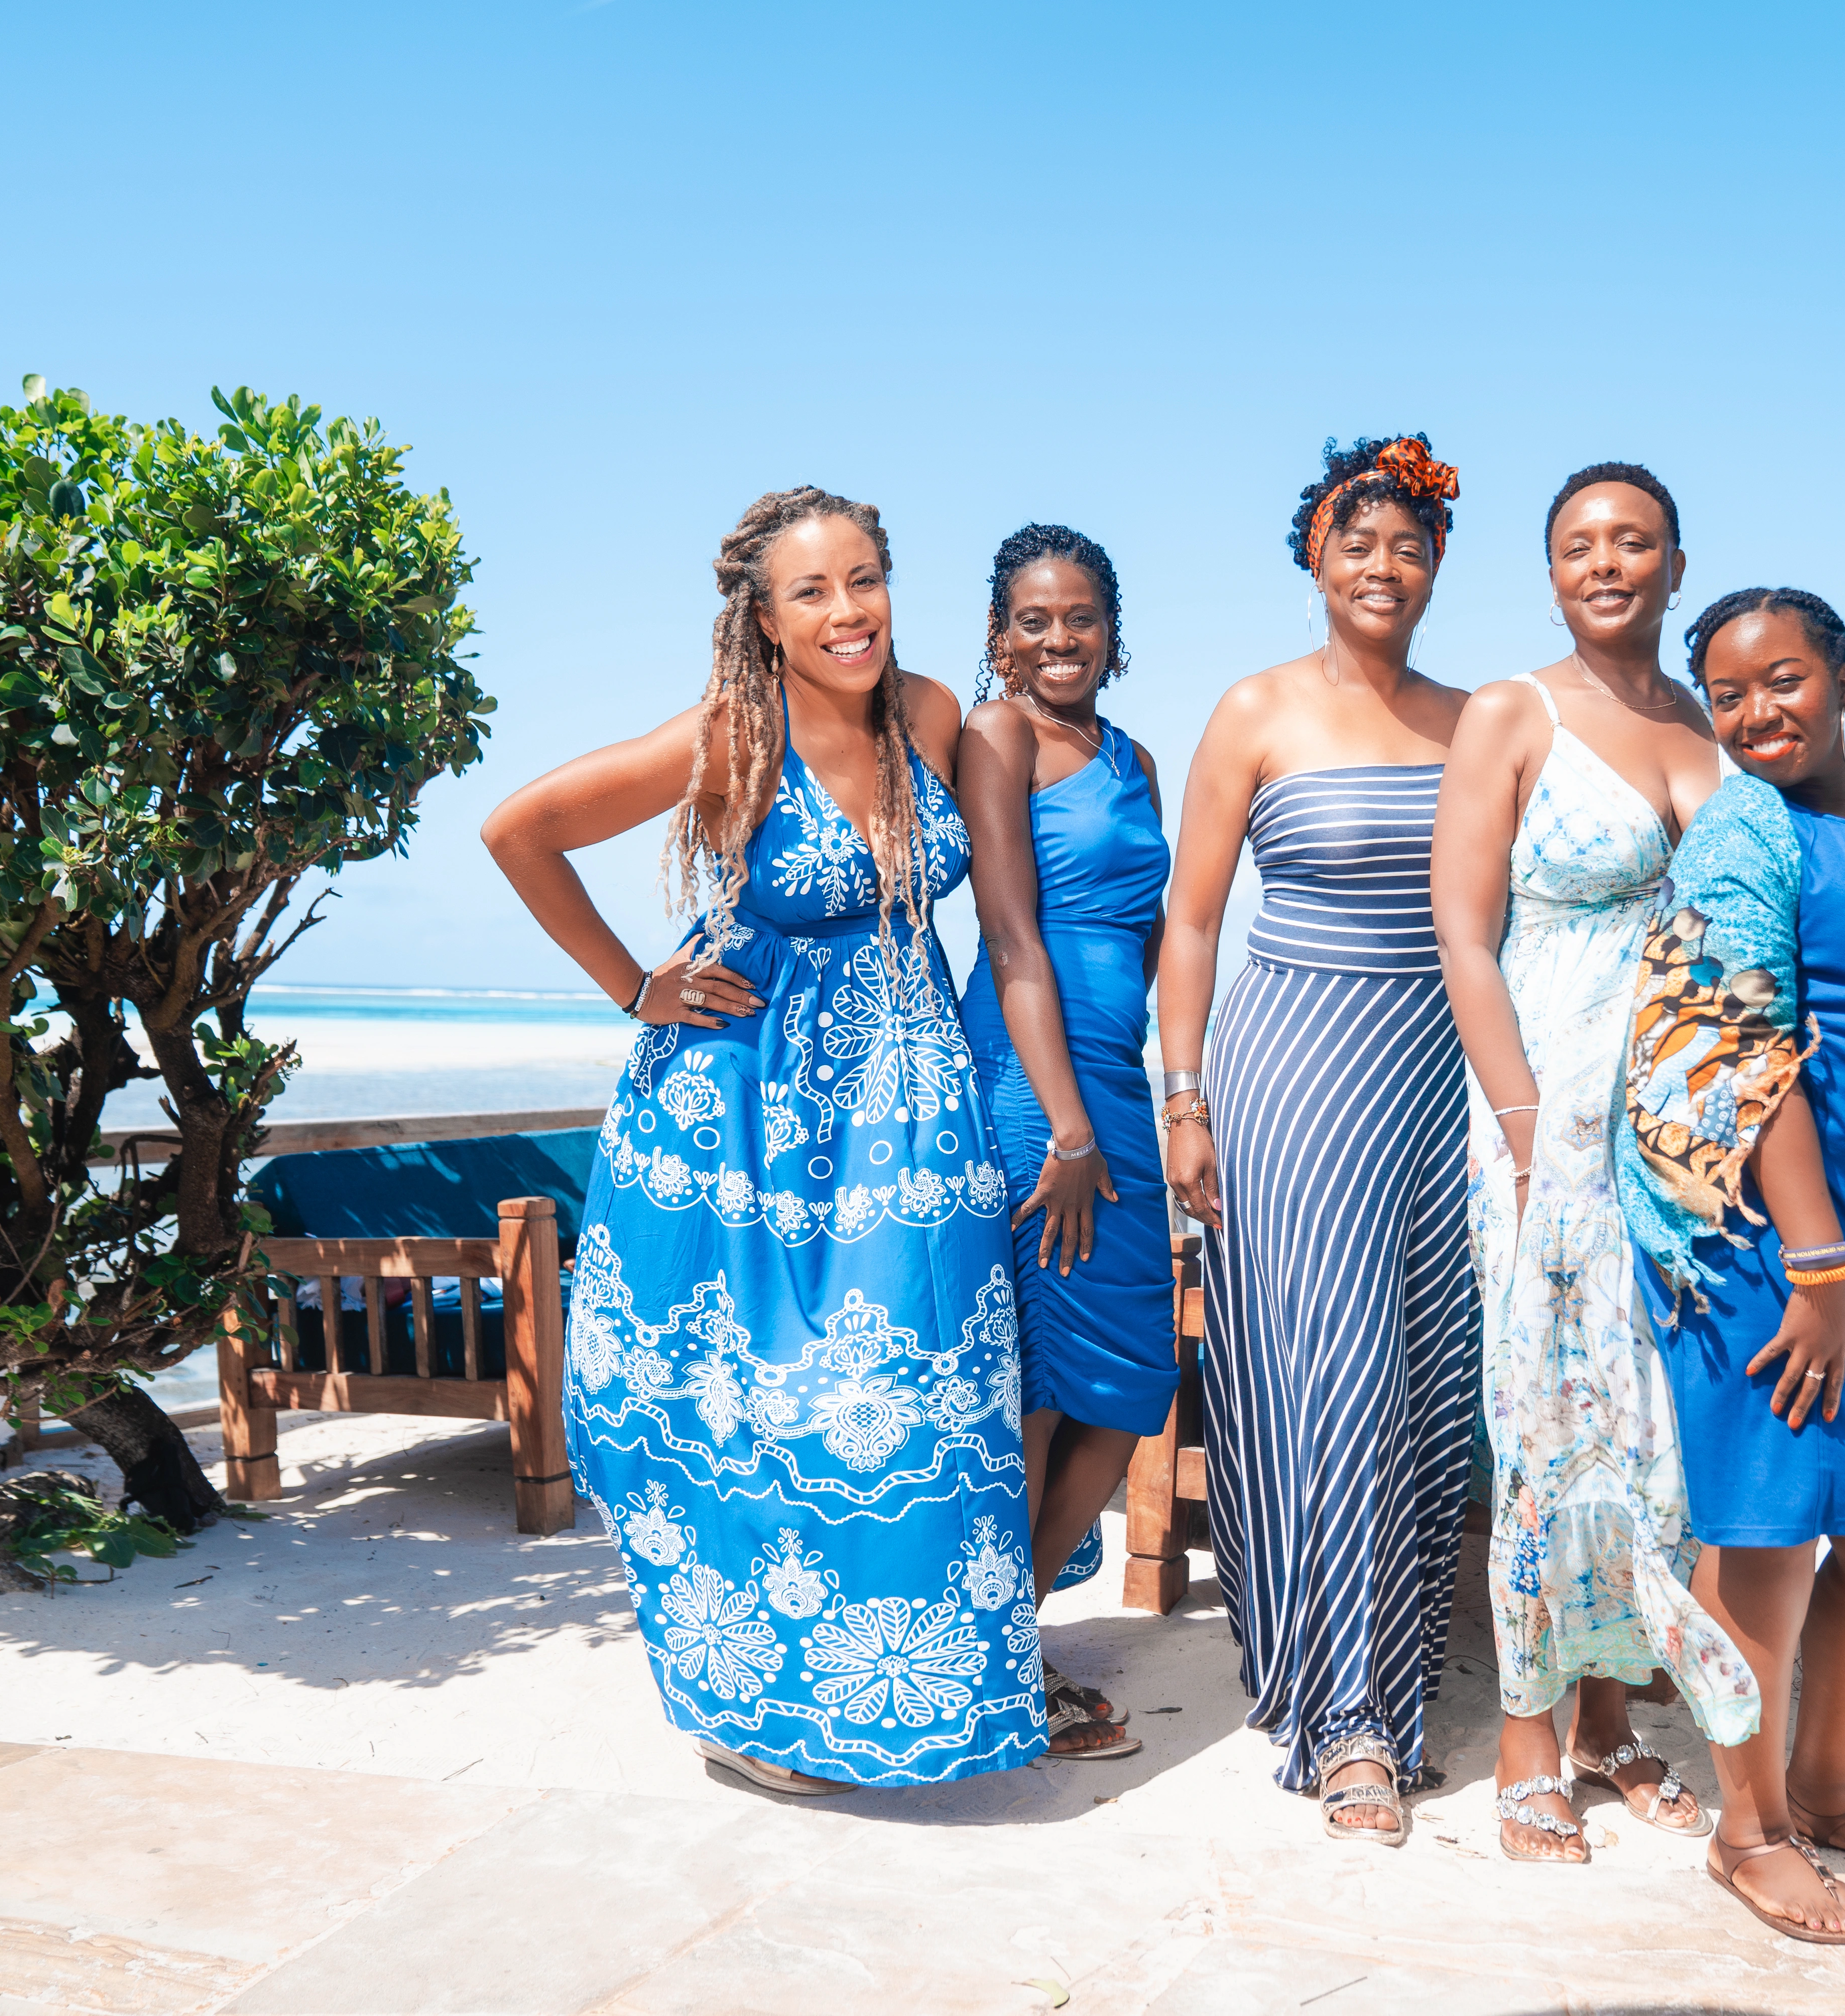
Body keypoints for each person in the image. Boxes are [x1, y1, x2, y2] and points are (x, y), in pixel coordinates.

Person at [479, 487, 1043, 1793]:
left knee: (922, 1403)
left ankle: (916, 1703)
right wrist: (638, 986)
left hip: (910, 1111)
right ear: (765, 616)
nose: (847, 612)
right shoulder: (737, 737)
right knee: (749, 1413)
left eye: (866, 580)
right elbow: (522, 830)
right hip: (746, 1116)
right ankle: (757, 1707)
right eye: (812, 592)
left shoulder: (934, 721)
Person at [1617, 587, 1845, 1940]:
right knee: (1765, 1534)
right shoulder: (1740, 835)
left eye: (1784, 679)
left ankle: (1826, 1792)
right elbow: (1738, 1042)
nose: (1757, 710)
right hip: (1755, 1231)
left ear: (1841, 677)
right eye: (1728, 693)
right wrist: (1814, 1263)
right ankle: (1748, 1828)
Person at [1429, 464, 1758, 1864]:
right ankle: (1524, 1739)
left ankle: (1613, 1725)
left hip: (1680, 1133)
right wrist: (1517, 1128)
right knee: (1545, 1420)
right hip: (1547, 1117)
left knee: (1655, 1427)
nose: (1606, 562)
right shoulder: (1516, 712)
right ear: (1551, 570)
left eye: (1634, 542)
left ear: (1679, 564)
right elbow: (1461, 930)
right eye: (1579, 545)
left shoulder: (1709, 723)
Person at [1155, 434, 1477, 1846]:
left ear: (1438, 565)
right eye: (1359, 543)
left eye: (1409, 546)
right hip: (1289, 1068)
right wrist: (1184, 1097)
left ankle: (1383, 1663)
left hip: (1439, 1078)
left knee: (1429, 1388)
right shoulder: (1255, 711)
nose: (1384, 567)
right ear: (1314, 560)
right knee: (1326, 1375)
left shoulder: (1487, 719)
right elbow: (1192, 921)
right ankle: (1350, 1719)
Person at [955, 523, 1173, 1762]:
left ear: (1111, 627)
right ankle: (1002, 1665)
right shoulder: (998, 737)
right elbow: (1011, 932)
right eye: (1034, 619)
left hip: (1116, 1079)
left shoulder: (1135, 752)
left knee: (1128, 1377)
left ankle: (995, 1641)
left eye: (1079, 616)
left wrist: (1131, 1094)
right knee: (1038, 1381)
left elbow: (1151, 930)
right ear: (1000, 633)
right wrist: (1072, 1124)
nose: (1058, 639)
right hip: (1038, 1090)